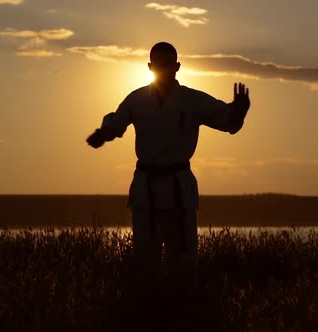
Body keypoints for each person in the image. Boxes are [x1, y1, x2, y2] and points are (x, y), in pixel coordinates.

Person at [86, 42, 250, 290]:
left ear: (177, 67)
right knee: (144, 259)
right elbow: (116, 123)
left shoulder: (193, 100)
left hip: (179, 190)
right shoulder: (137, 99)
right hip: (146, 189)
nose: (163, 69)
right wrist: (102, 134)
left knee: (184, 261)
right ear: (150, 67)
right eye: (158, 65)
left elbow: (227, 121)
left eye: (168, 64)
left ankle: (183, 314)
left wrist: (238, 112)